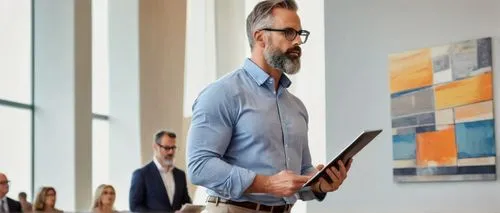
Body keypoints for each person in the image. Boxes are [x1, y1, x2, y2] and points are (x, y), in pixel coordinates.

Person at [186, 0, 353, 212]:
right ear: (260, 37)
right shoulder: (222, 93)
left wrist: (318, 183)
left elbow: (301, 170)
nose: (298, 41)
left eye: (300, 34)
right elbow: (199, 166)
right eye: (289, 33)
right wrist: (268, 184)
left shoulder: (296, 106)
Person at [129, 130, 192, 212]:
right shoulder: (141, 174)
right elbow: (135, 207)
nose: (171, 152)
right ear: (155, 147)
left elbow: (186, 202)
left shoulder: (180, 175)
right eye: (167, 148)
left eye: (173, 148)